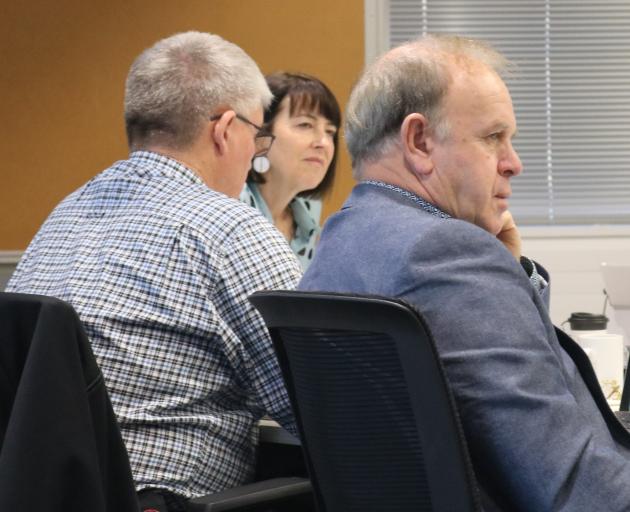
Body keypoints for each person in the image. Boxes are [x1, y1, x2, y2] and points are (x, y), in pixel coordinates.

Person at [299, 34, 630, 511]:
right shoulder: (449, 254)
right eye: (493, 137)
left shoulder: (341, 238)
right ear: (419, 141)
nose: (514, 164)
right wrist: (489, 263)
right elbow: (571, 485)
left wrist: (510, 270)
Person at [6, 31, 302, 510]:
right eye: (258, 137)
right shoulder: (228, 228)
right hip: (160, 500)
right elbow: (323, 405)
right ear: (226, 129)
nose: (256, 157)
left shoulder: (65, 214)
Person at [240, 72, 340, 269]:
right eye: (305, 125)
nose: (323, 143)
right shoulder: (231, 206)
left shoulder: (308, 213)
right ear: (261, 134)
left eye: (330, 132)